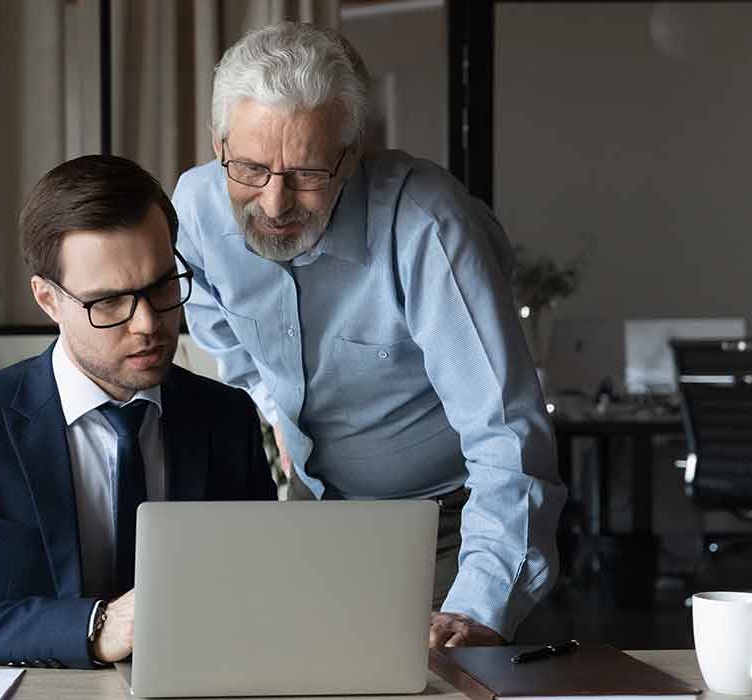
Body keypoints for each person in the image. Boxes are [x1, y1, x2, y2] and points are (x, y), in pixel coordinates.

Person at [173, 22, 566, 647]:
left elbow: (508, 439)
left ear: (351, 156)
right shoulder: (194, 208)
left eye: (305, 174)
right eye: (249, 168)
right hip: (312, 517)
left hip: (447, 531)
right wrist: (272, 406)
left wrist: (479, 611)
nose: (274, 205)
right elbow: (220, 329)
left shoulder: (430, 229)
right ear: (218, 141)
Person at [0, 155, 275, 667]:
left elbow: (263, 593)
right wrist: (93, 627)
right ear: (48, 299)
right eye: (107, 302)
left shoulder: (227, 418)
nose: (147, 322)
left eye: (162, 286)